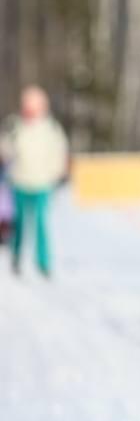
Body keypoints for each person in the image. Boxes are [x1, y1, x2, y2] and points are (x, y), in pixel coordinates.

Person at [0, 86, 69, 277]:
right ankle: (16, 256)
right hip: (19, 181)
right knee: (19, 223)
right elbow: (5, 150)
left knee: (40, 223)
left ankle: (43, 261)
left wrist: (56, 174)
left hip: (42, 183)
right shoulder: (15, 126)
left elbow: (60, 152)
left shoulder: (51, 129)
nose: (29, 111)